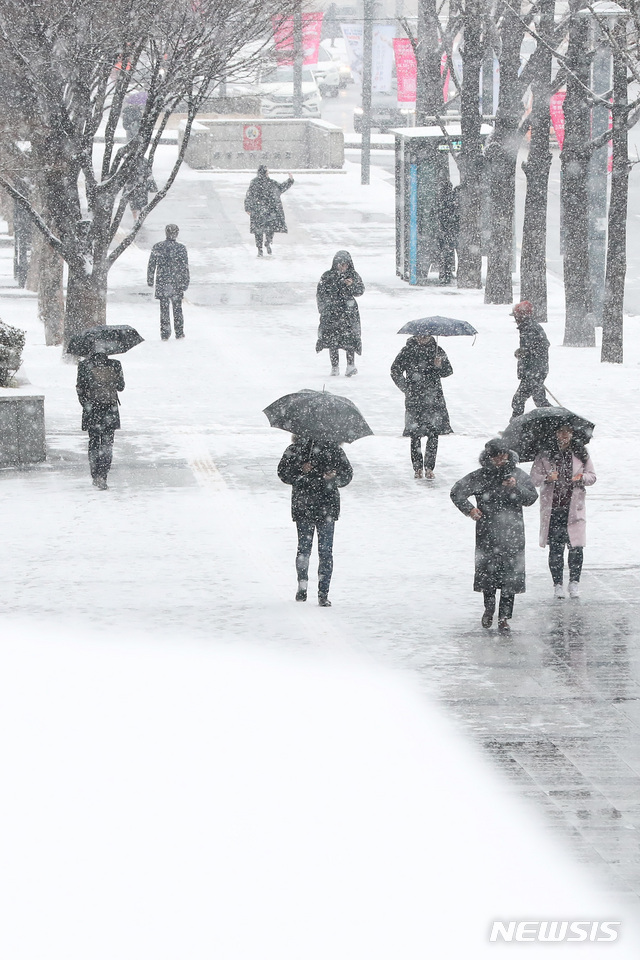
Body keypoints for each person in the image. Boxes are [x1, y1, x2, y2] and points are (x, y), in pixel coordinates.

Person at [450, 438, 538, 633]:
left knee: (510, 577)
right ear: (489, 457)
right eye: (496, 457)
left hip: (513, 534)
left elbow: (531, 498)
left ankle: (504, 617)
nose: (500, 460)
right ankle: (489, 609)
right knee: (488, 576)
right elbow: (456, 492)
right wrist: (470, 509)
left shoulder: (517, 474)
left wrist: (516, 487)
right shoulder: (480, 476)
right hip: (487, 533)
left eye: (503, 456)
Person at [278, 437, 353, 607]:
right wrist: (301, 469)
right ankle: (304, 587)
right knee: (308, 549)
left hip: (322, 506)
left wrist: (334, 476)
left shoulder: (333, 451)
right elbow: (283, 473)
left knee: (322, 551)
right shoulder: (298, 449)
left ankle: (322, 592)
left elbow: (347, 475)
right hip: (307, 506)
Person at [530, 425, 597, 599]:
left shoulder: (581, 453)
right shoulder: (545, 455)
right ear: (555, 433)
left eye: (568, 431)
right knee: (556, 548)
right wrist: (547, 478)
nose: (564, 434)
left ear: (573, 433)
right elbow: (534, 479)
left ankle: (574, 582)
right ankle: (557, 584)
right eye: (560, 431)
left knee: (576, 547)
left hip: (574, 508)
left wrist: (581, 478)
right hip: (554, 509)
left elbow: (592, 476)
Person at [390, 334, 453, 479]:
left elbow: (448, 371)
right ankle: (417, 467)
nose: (423, 339)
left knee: (433, 433)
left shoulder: (437, 350)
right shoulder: (408, 350)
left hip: (434, 398)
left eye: (426, 336)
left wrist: (439, 365)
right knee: (415, 434)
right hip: (415, 398)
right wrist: (406, 387)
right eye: (420, 336)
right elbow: (395, 370)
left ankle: (429, 467)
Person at [76, 351, 125, 490]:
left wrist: (87, 405)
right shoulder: (115, 364)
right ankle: (103, 475)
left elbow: (80, 388)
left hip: (92, 410)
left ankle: (95, 474)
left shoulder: (84, 365)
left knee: (94, 442)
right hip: (110, 409)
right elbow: (121, 387)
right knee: (107, 443)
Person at [316, 250, 365, 377]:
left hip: (348, 313)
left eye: (345, 264)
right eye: (340, 264)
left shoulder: (353, 276)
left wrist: (352, 285)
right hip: (332, 313)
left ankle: (350, 365)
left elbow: (360, 291)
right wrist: (323, 309)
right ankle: (335, 367)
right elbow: (320, 293)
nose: (342, 267)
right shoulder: (327, 276)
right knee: (333, 340)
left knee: (350, 339)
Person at [147, 224, 190, 340]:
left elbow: (151, 265)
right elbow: (184, 267)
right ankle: (179, 332)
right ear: (177, 233)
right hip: (176, 282)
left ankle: (165, 333)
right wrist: (185, 282)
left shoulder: (158, 247)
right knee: (177, 308)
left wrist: (150, 279)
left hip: (162, 281)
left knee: (164, 308)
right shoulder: (181, 248)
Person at [510, 300, 551, 419]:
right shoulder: (526, 327)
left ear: (522, 315)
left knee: (524, 400)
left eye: (516, 316)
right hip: (532, 371)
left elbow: (542, 347)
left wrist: (525, 353)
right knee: (532, 400)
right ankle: (557, 422)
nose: (515, 319)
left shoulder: (530, 328)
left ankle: (559, 422)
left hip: (534, 371)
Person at [244, 166, 294, 257]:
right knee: (270, 229)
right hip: (269, 210)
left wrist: (247, 208)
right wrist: (290, 180)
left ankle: (260, 249)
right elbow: (281, 187)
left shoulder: (254, 183)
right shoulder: (270, 183)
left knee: (258, 231)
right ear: (266, 173)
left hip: (258, 211)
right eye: (267, 171)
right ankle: (267, 242)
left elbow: (249, 195)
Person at [127, 155, 156, 222]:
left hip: (134, 186)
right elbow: (149, 173)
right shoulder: (144, 161)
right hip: (141, 186)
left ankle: (136, 218)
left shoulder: (130, 161)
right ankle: (138, 218)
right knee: (139, 203)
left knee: (134, 203)